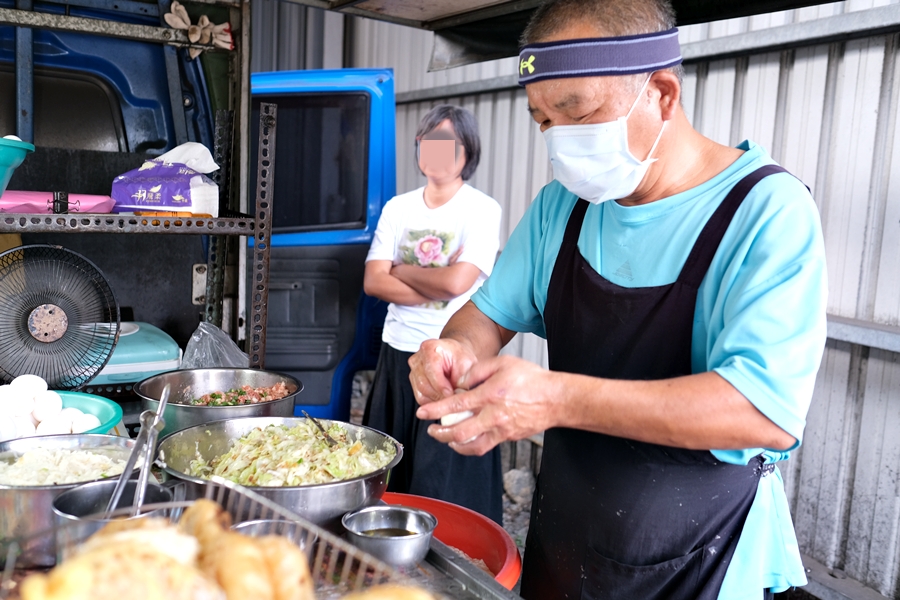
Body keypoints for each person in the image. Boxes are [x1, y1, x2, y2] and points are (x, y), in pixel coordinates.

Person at [407, 1, 828, 598]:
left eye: (575, 110)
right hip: (569, 540)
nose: (558, 140)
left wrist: (555, 397)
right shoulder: (563, 207)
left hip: (707, 556)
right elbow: (486, 315)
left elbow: (763, 412)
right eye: (543, 120)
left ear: (660, 92)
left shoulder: (765, 211)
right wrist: (451, 351)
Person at [362, 104, 504, 523]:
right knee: (389, 469)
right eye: (429, 142)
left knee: (445, 483)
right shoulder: (397, 208)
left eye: (448, 144)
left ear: (467, 152)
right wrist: (433, 278)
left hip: (453, 359)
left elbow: (458, 284)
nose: (437, 152)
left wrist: (401, 270)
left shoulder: (481, 209)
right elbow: (373, 281)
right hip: (397, 352)